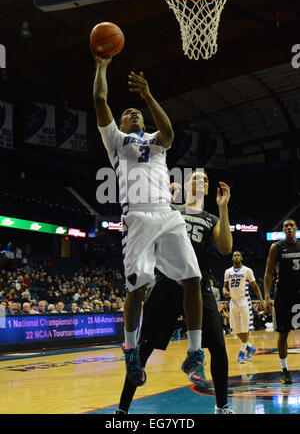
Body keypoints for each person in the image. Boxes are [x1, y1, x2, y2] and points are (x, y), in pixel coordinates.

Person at [93, 55, 204, 388]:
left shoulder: (156, 142)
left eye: (136, 112)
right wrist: (101, 65)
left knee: (193, 278)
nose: (132, 113)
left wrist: (148, 96)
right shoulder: (115, 141)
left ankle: (194, 354)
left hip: (167, 213)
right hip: (138, 216)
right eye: (127, 114)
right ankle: (129, 349)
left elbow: (169, 134)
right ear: (121, 125)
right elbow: (100, 99)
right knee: (138, 287)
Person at [115, 169, 235, 414]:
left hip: (199, 287)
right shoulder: (173, 210)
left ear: (209, 189)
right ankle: (122, 411)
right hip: (166, 284)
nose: (201, 179)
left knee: (219, 348)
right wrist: (163, 203)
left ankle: (222, 407)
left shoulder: (210, 217)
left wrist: (223, 208)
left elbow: (225, 247)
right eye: (195, 177)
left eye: (206, 179)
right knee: (142, 350)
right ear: (186, 184)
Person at [264, 218, 300, 384]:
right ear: (283, 230)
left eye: (291, 225)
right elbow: (269, 272)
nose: (289, 228)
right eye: (286, 226)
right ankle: (284, 369)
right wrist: (266, 297)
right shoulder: (276, 247)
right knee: (283, 334)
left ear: (296, 228)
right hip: (283, 295)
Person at [223, 251, 264, 363]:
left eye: (238, 255)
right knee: (235, 329)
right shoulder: (228, 271)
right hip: (233, 301)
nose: (236, 256)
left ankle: (241, 353)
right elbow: (225, 287)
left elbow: (255, 286)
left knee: (245, 328)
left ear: (241, 258)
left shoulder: (247, 270)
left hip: (244, 300)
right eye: (234, 255)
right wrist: (225, 292)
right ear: (232, 258)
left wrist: (261, 300)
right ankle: (249, 347)